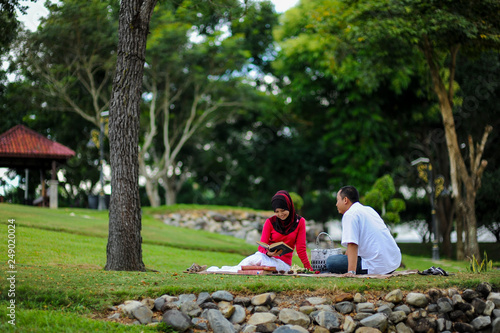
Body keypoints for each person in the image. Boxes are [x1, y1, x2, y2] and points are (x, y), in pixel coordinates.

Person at [206, 190, 312, 272]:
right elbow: (262, 246)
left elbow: (301, 249)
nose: (280, 214)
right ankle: (221, 270)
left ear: (289, 206)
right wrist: (268, 253)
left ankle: (219, 270)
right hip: (265, 257)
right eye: (277, 212)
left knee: (257, 260)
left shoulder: (300, 222)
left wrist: (309, 269)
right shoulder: (270, 222)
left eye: (283, 210)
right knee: (254, 260)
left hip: (283, 263)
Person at [326, 185, 401, 276]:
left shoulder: (350, 214)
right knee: (341, 259)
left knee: (330, 261)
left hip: (375, 266)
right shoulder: (368, 210)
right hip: (392, 263)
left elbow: (352, 244)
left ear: (345, 200)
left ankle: (352, 269)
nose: (336, 204)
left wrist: (351, 272)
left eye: (338, 200)